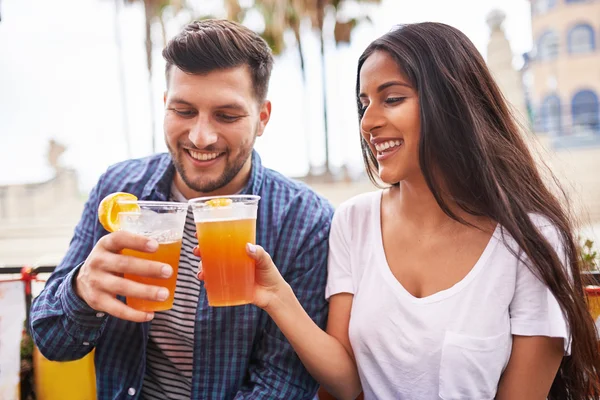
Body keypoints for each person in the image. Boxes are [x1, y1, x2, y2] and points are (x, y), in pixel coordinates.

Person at [220, 22, 600, 400]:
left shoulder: (533, 241)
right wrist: (275, 296)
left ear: (452, 102)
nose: (367, 122)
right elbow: (346, 382)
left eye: (392, 99)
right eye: (363, 103)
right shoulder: (354, 221)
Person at [29, 19, 334, 400]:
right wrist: (81, 290)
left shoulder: (306, 221)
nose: (200, 136)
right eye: (184, 111)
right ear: (165, 107)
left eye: (227, 115)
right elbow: (53, 342)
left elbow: (281, 382)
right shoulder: (119, 190)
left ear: (262, 118)